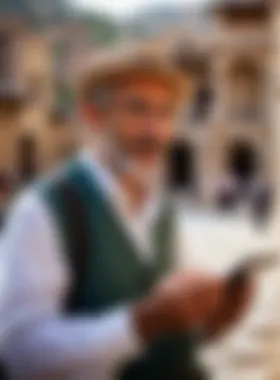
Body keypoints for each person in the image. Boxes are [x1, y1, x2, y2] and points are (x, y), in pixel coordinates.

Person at [0, 49, 253, 380]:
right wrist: (142, 321)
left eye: (165, 113)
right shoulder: (42, 211)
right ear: (93, 116)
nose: (155, 130)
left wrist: (213, 322)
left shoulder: (162, 210)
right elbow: (21, 352)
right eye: (138, 109)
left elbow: (167, 335)